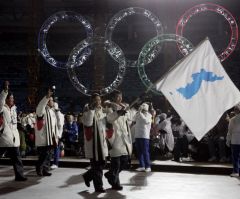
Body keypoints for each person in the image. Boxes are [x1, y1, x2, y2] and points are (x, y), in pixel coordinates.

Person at [104, 90, 132, 191]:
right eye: (117, 97)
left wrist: (126, 111)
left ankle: (110, 174)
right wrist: (118, 112)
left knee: (124, 161)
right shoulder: (109, 108)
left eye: (120, 96)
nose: (120, 99)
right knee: (116, 163)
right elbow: (109, 119)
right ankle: (115, 183)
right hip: (114, 138)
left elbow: (129, 120)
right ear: (113, 98)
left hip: (123, 138)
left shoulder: (123, 107)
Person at [0, 81, 27, 181]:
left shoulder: (14, 109)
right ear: (6, 99)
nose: (12, 100)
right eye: (10, 98)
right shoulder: (2, 108)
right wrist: (5, 91)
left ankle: (20, 176)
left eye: (12, 98)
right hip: (4, 138)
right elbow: (1, 101)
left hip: (13, 139)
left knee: (17, 159)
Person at [82, 93, 108, 193]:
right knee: (97, 166)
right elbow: (88, 123)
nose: (98, 102)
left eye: (99, 99)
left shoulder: (102, 110)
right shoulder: (87, 110)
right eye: (96, 100)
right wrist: (92, 110)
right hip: (93, 144)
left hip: (101, 143)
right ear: (92, 101)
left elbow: (104, 126)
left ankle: (87, 176)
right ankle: (99, 187)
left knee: (102, 163)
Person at [35, 88, 63, 176]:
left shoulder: (52, 111)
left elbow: (58, 123)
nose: (52, 101)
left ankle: (45, 169)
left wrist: (57, 135)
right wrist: (47, 97)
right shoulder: (41, 109)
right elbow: (40, 106)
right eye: (50, 100)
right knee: (44, 154)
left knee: (49, 154)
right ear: (46, 101)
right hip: (44, 137)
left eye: (52, 100)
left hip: (52, 136)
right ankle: (39, 167)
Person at [134, 103, 152, 172]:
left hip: (144, 136)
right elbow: (133, 119)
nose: (142, 109)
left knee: (145, 152)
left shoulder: (149, 115)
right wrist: (138, 112)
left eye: (143, 108)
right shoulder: (138, 114)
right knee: (139, 152)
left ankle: (148, 166)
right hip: (137, 135)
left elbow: (146, 121)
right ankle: (142, 165)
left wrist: (140, 113)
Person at [226, 107, 240, 177]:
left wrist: (228, 140)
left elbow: (229, 132)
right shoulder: (232, 119)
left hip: (235, 140)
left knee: (235, 157)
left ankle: (236, 171)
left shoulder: (232, 120)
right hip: (236, 139)